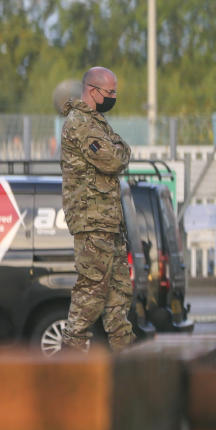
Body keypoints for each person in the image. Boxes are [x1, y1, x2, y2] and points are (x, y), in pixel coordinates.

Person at [60, 67, 136, 351]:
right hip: (92, 222)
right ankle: (71, 350)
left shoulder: (97, 123)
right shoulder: (81, 124)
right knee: (91, 289)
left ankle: (124, 353)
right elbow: (114, 160)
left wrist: (119, 147)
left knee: (118, 291)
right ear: (93, 91)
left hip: (108, 222)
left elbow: (117, 153)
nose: (114, 97)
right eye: (110, 92)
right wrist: (121, 147)